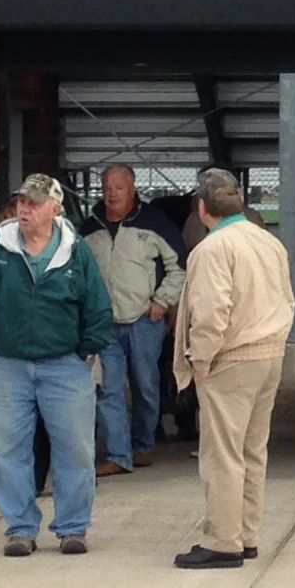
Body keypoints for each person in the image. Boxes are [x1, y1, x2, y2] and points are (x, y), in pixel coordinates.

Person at [0, 172, 112, 558]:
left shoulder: (76, 251)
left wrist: (81, 352)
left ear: (55, 208)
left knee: (76, 449)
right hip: (6, 364)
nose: (24, 208)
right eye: (21, 201)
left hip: (64, 364)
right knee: (6, 449)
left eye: (33, 202)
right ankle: (19, 528)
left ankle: (73, 528)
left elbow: (98, 307)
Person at [170, 165, 295, 569]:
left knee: (221, 454)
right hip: (269, 353)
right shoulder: (268, 242)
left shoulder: (210, 249)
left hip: (231, 358)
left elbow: (210, 312)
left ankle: (223, 541)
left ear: (201, 208)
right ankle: (247, 534)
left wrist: (200, 359)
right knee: (252, 451)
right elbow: (289, 299)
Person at [84, 163, 185, 474]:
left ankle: (143, 445)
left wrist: (161, 302)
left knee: (145, 385)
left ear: (133, 188)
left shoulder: (155, 222)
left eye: (120, 187)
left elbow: (180, 266)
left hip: (144, 320)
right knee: (108, 389)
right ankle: (118, 455)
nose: (112, 194)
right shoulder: (88, 228)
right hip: (104, 324)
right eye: (107, 188)